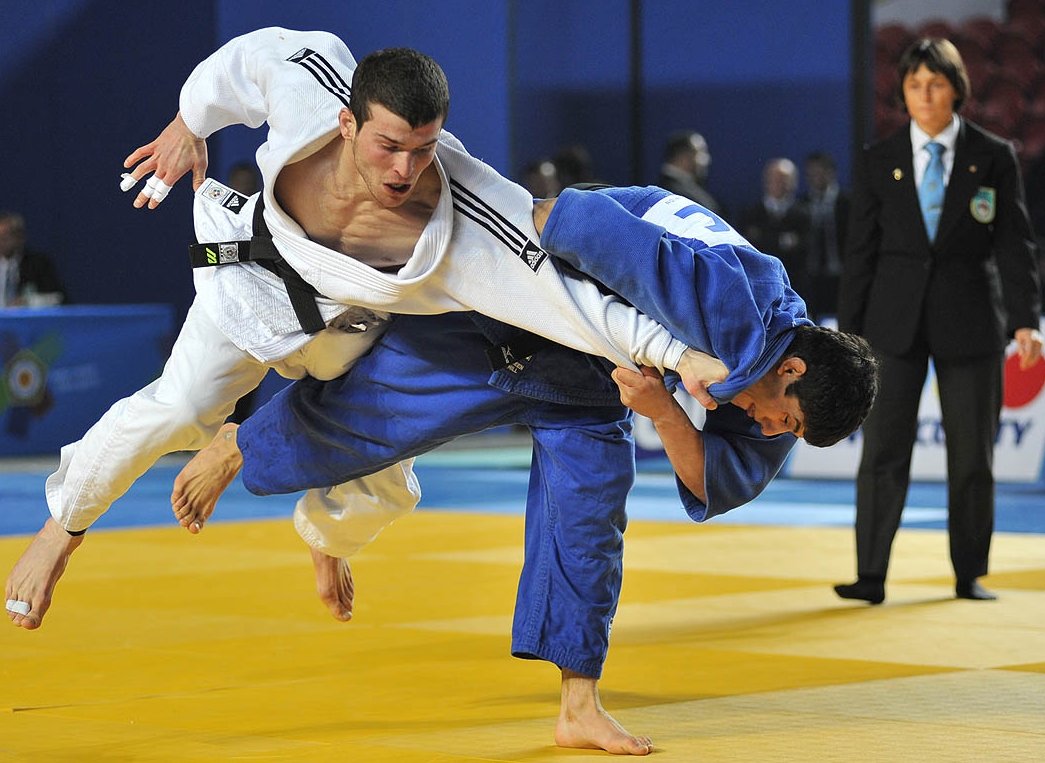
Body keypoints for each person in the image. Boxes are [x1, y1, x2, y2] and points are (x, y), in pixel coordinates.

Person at [4, 30, 723, 756]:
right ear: (347, 122)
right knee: (183, 408)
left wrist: (678, 353)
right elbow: (249, 59)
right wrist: (190, 122)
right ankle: (60, 530)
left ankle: (324, 536)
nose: (405, 169)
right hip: (251, 286)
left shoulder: (469, 216)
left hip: (344, 334)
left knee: (386, 474)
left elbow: (571, 304)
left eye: (424, 148)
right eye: (388, 146)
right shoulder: (313, 80)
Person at [167, 185, 878, 755]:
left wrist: (664, 412)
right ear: (790, 370)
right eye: (783, 420)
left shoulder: (784, 371)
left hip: (596, 384)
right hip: (513, 316)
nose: (771, 430)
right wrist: (507, 275)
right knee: (376, 413)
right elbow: (564, 216)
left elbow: (712, 481)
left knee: (589, 524)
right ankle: (241, 443)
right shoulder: (725, 300)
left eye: (785, 432)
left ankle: (578, 706)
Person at [835, 38, 1043, 605]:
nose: (925, 95)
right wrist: (846, 336)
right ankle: (870, 575)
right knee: (882, 453)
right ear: (902, 94)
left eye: (936, 84)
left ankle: (969, 573)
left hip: (972, 321)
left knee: (973, 455)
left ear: (957, 89)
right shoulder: (878, 158)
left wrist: (1026, 320)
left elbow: (1015, 242)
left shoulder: (993, 155)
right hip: (891, 325)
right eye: (914, 85)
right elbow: (861, 253)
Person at [740, 157, 811, 300]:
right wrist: (782, 241)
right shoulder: (750, 214)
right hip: (758, 287)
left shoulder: (805, 215)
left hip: (794, 288)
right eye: (774, 179)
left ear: (794, 183)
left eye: (784, 180)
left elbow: (805, 249)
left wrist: (765, 238)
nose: (779, 184)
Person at [800, 151, 849, 320]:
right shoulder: (801, 204)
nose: (815, 177)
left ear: (830, 172)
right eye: (811, 173)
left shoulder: (848, 203)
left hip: (841, 275)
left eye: (819, 172)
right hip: (811, 276)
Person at [0, 211, 67, 307]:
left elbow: (58, 298)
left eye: (4, 237)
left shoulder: (38, 264)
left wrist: (28, 302)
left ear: (19, 238)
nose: (1, 242)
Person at [657, 130, 722, 214]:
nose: (707, 159)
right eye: (700, 152)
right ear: (682, 157)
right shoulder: (673, 194)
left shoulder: (689, 190)